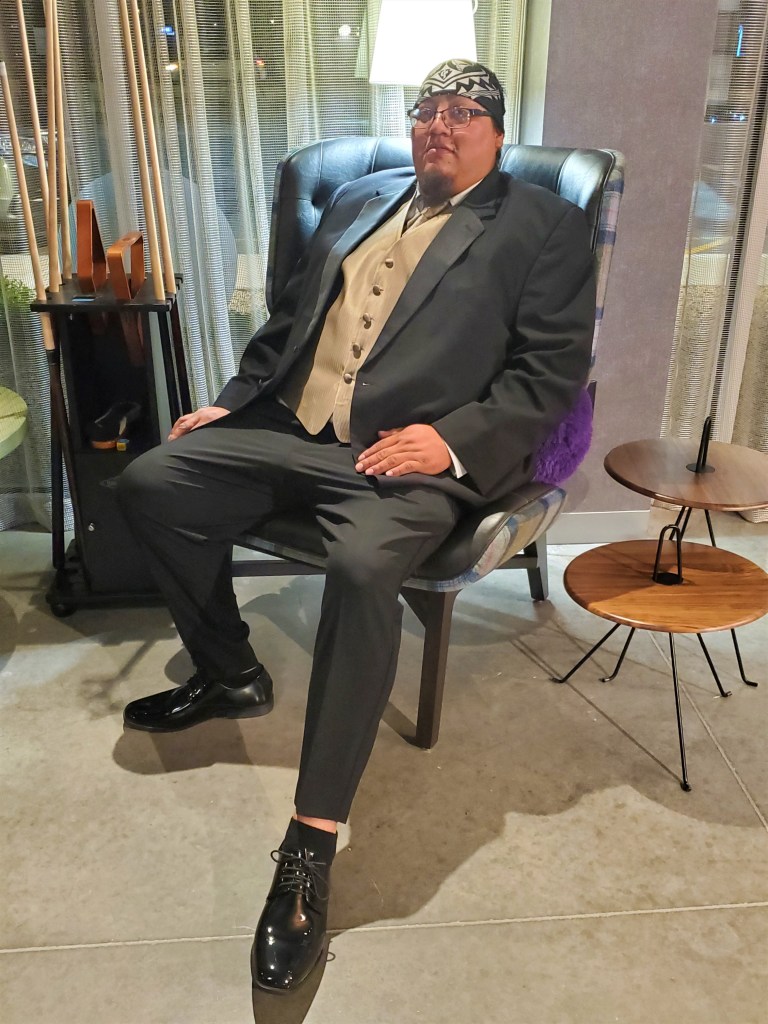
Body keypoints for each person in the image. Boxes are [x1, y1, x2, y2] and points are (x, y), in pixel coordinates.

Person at [118, 58, 596, 992]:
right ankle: (231, 672)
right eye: (426, 111)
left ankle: (311, 842)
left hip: (406, 459)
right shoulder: (358, 197)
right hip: (288, 428)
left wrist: (450, 443)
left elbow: (549, 374)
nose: (438, 126)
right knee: (150, 484)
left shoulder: (546, 225)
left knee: (364, 570)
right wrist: (232, 403)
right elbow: (288, 322)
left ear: (498, 132)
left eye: (463, 113)